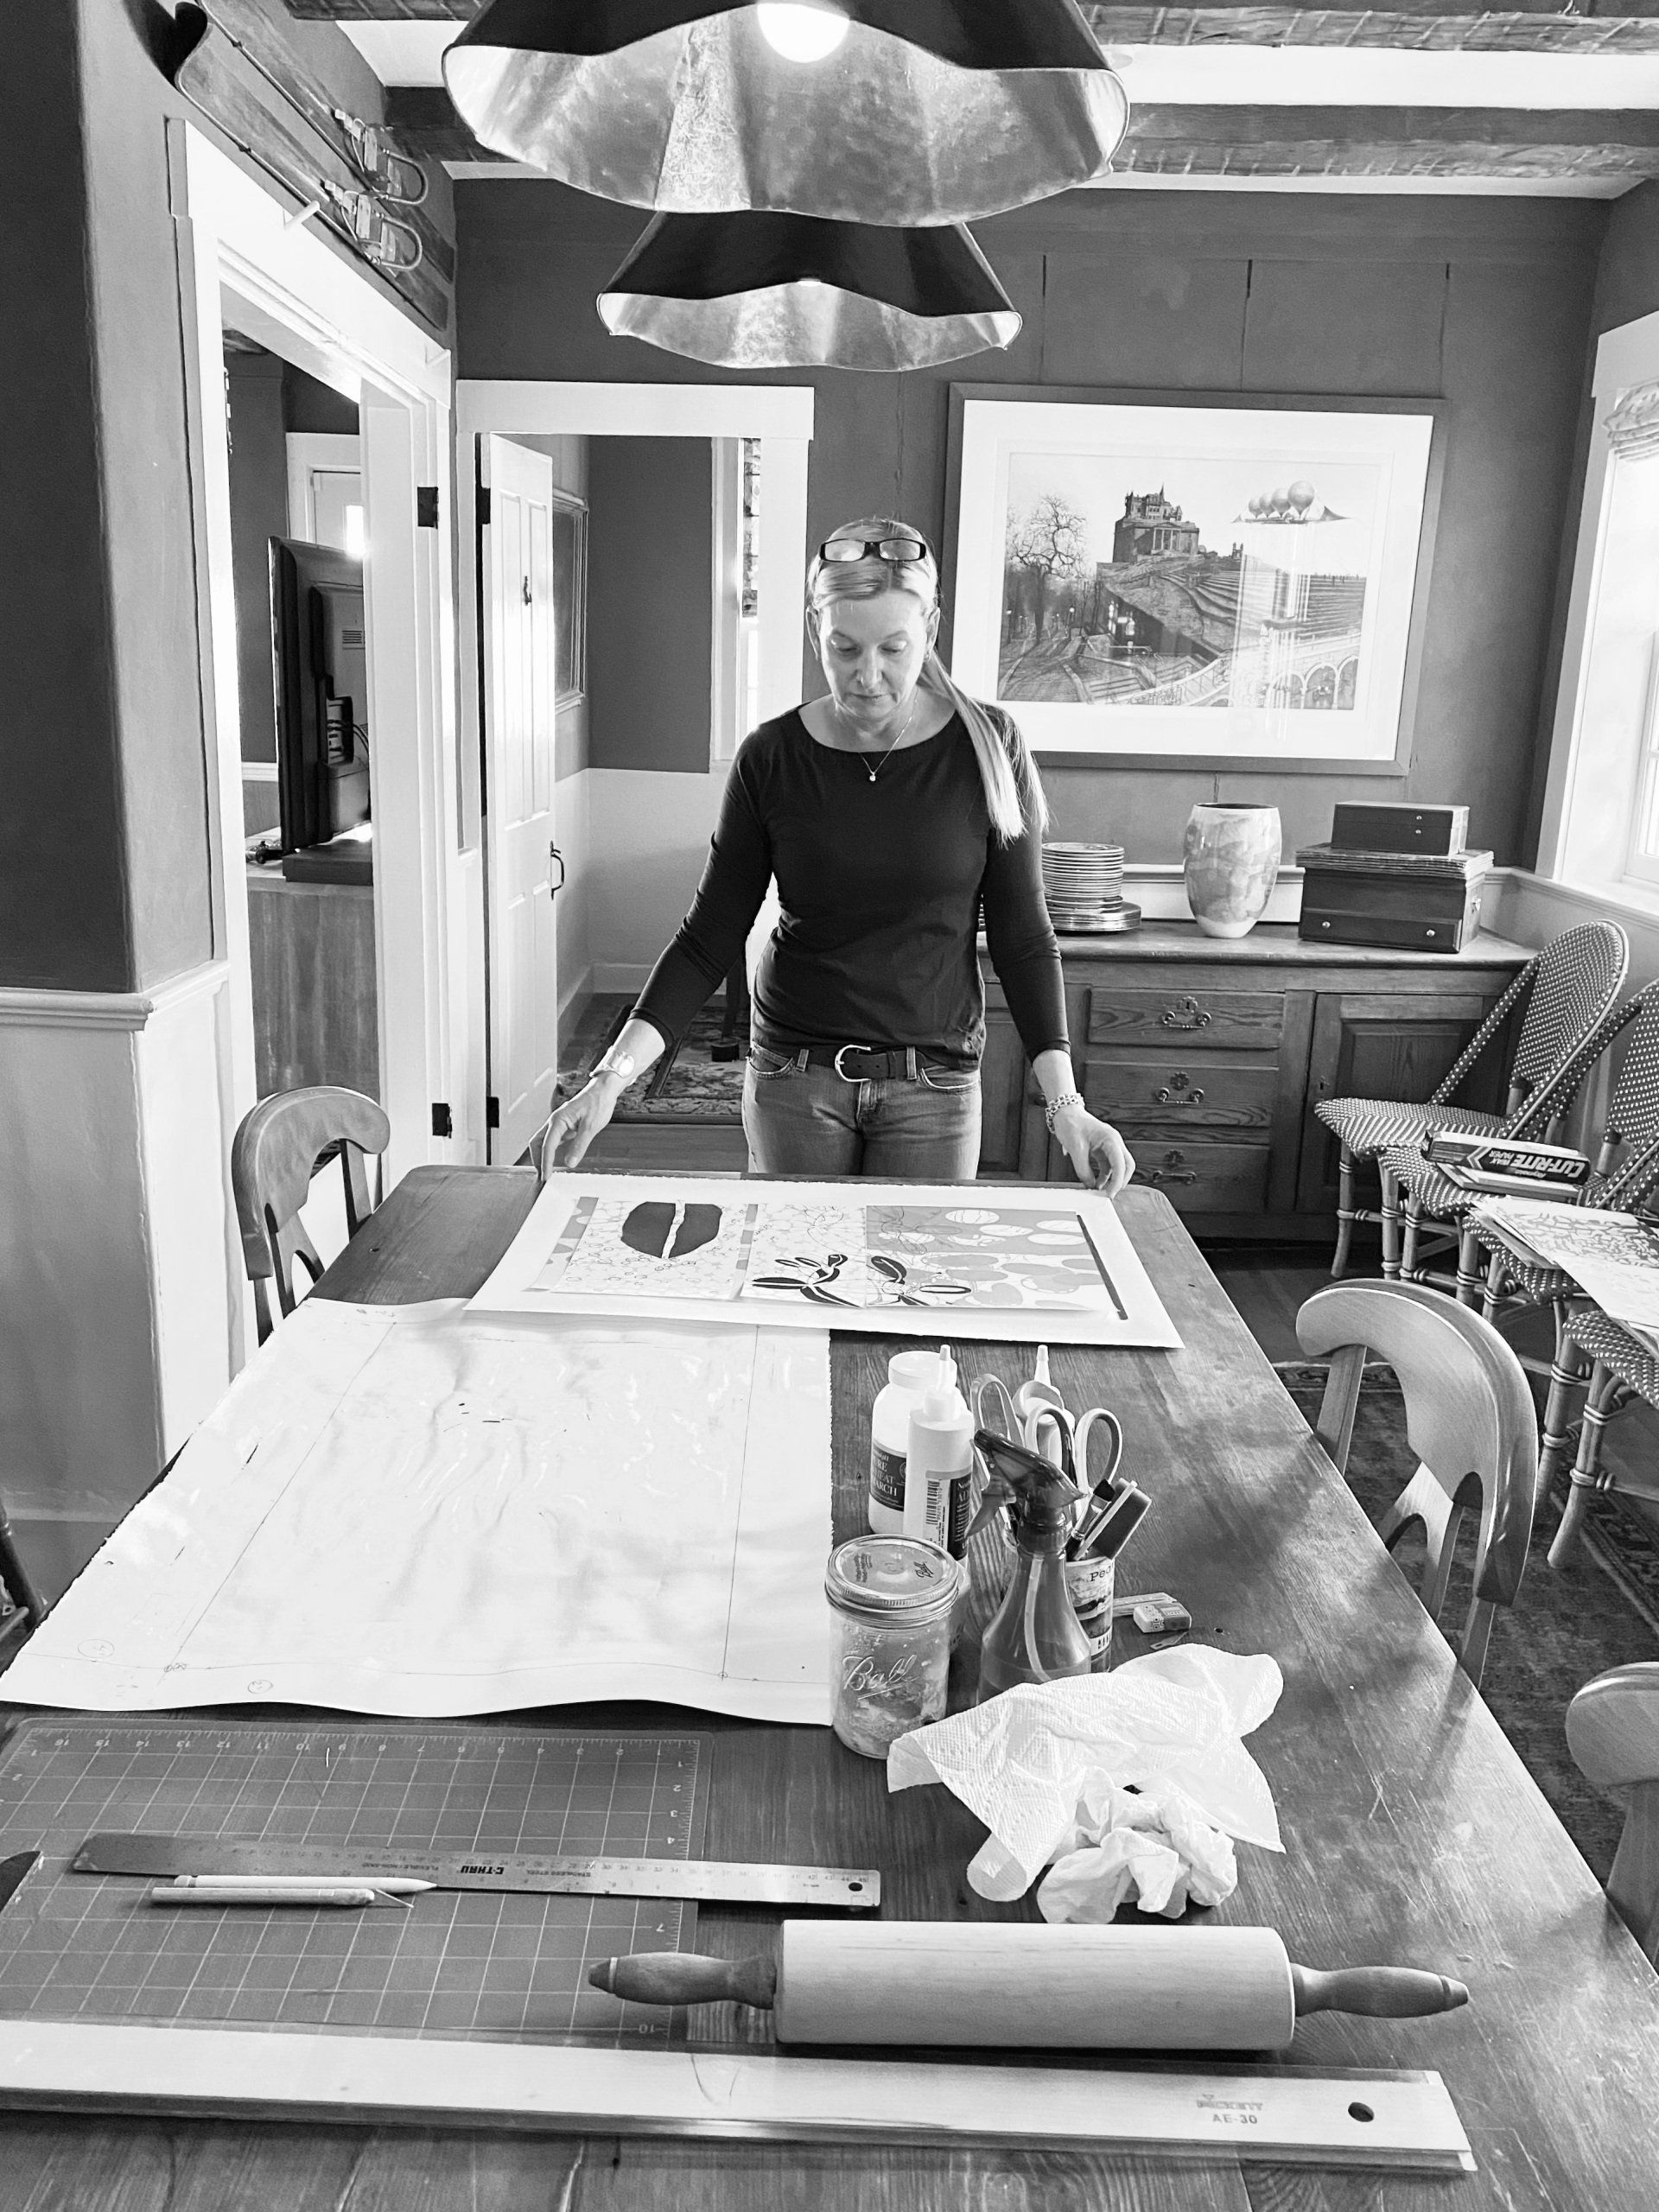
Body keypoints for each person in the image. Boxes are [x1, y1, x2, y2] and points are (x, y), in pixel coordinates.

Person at [542, 517, 1135, 1192]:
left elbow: (1024, 941)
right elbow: (708, 938)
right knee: (789, 1285)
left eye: (894, 648)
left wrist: (1068, 1110)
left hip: (934, 1089)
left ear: (931, 630)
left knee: (910, 1286)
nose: (868, 676)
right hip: (794, 1080)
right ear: (812, 631)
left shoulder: (990, 748)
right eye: (844, 648)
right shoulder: (772, 757)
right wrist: (607, 1082)